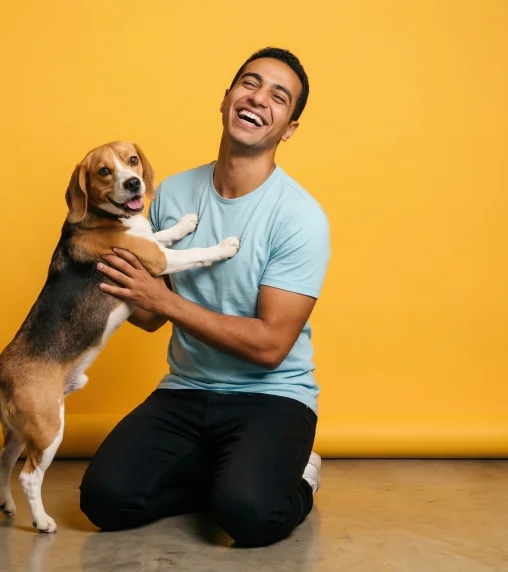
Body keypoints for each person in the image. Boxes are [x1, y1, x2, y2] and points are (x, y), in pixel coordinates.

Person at [80, 46, 331, 548]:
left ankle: (299, 474)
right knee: (104, 501)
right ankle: (220, 479)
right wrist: (105, 263)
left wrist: (166, 301)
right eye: (249, 83)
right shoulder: (171, 193)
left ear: (288, 128)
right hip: (187, 389)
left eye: (278, 98)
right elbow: (151, 316)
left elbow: (270, 347)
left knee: (248, 516)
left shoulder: (301, 217)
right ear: (225, 99)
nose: (258, 98)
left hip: (273, 397)